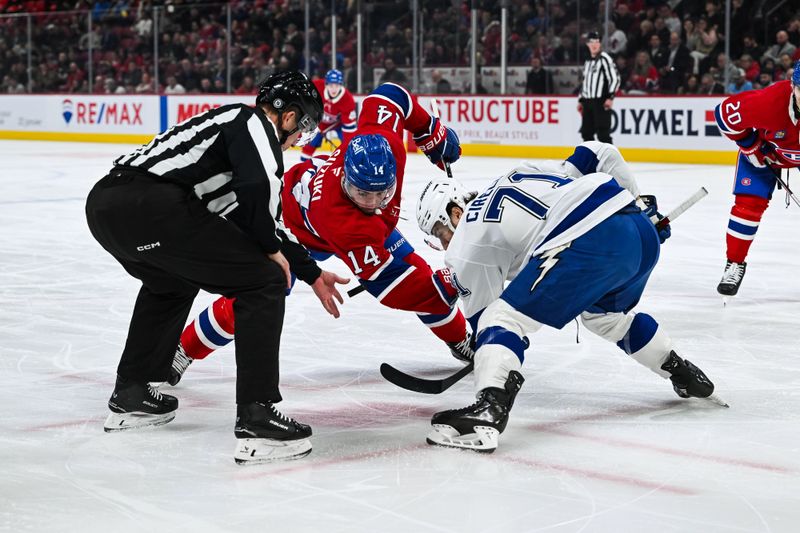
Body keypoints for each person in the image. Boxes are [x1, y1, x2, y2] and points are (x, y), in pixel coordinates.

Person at [85, 71, 348, 464]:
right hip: (153, 206)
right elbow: (259, 195)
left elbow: (257, 216)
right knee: (263, 281)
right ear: (289, 116)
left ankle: (133, 392)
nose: (298, 142)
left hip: (107, 208)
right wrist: (271, 252)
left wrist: (311, 272)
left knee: (169, 284)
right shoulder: (252, 122)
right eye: (303, 129)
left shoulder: (222, 150)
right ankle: (258, 415)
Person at [415, 142, 719, 452]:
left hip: (589, 238)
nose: (445, 244)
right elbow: (600, 153)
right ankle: (679, 370)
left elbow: (487, 326)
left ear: (455, 211)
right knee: (603, 318)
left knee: (501, 319)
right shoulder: (517, 173)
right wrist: (639, 205)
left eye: (441, 233)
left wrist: (475, 339)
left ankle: (488, 410)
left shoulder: (466, 242)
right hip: (638, 232)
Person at [168, 82, 470, 386]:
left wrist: (428, 128)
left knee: (417, 269)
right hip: (293, 227)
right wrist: (454, 281)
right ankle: (183, 349)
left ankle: (460, 340)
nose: (373, 203)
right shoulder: (346, 223)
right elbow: (396, 289)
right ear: (347, 181)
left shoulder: (384, 141)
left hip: (349, 222)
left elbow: (389, 95)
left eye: (382, 193)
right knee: (263, 293)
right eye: (361, 193)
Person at [712, 61, 800, 297]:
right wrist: (751, 146)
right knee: (748, 206)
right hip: (767, 153)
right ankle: (735, 262)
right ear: (793, 87)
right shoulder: (769, 102)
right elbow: (723, 115)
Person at [299, 69, 357, 161]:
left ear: (341, 85)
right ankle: (302, 166)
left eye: (336, 85)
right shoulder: (317, 86)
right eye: (331, 85)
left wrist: (348, 146)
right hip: (320, 122)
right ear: (326, 84)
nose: (333, 89)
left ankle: (349, 162)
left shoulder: (348, 100)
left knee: (349, 144)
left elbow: (349, 130)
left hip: (338, 124)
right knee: (310, 143)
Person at [578, 31, 620, 144]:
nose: (594, 44)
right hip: (587, 101)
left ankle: (610, 160)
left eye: (597, 41)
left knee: (603, 134)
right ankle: (591, 158)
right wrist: (581, 100)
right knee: (586, 132)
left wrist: (610, 97)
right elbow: (585, 81)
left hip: (601, 101)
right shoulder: (587, 61)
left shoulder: (605, 58)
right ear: (587, 44)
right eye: (592, 42)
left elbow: (615, 78)